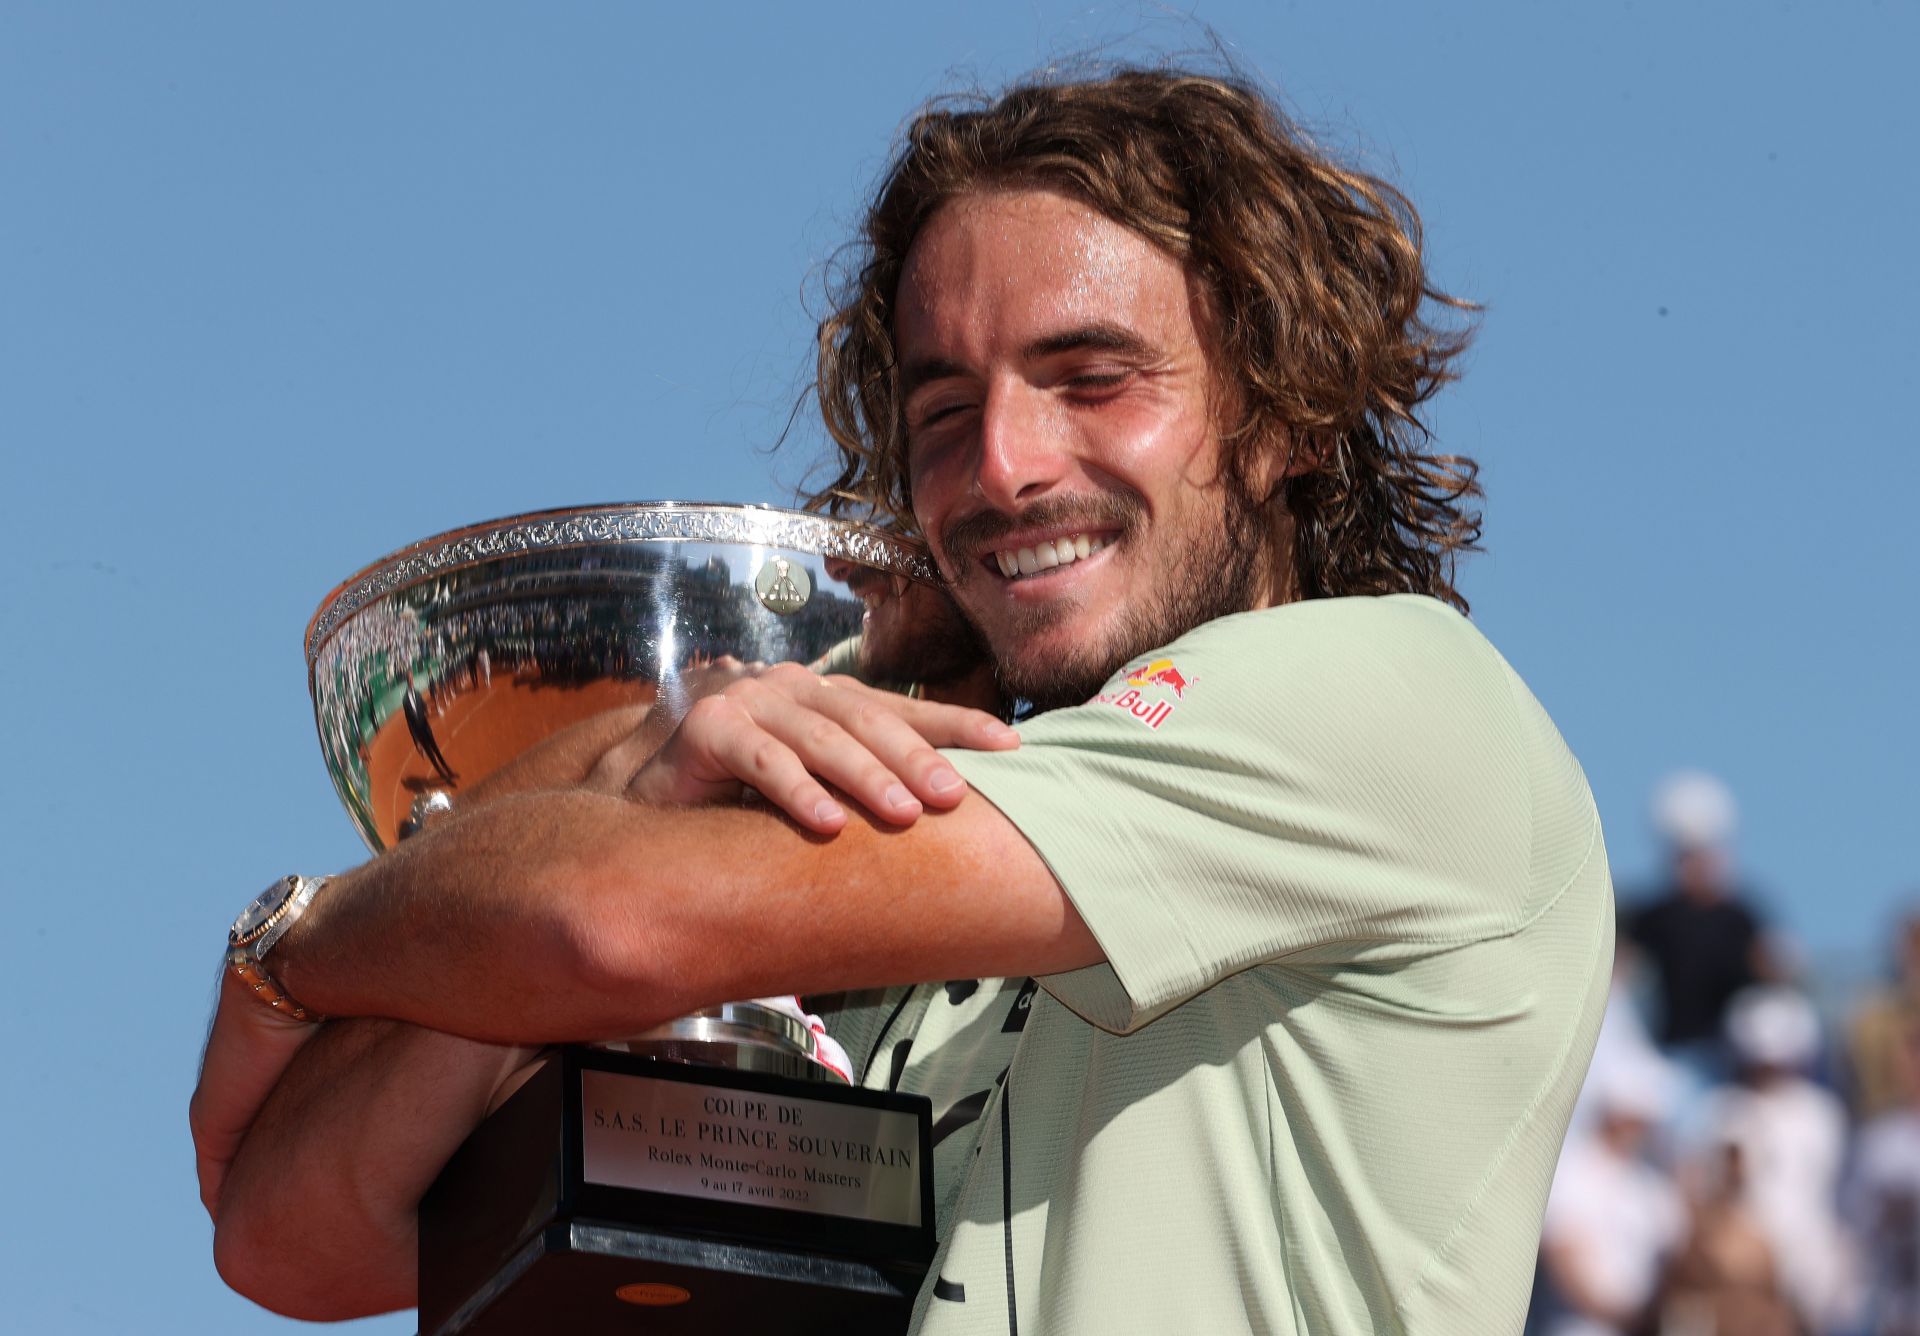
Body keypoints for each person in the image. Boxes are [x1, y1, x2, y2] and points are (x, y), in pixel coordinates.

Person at [191, 65, 1613, 1333]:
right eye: (944, 411)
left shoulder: (1381, 692)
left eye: (1092, 380)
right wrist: (614, 774)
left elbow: (606, 920)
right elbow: (296, 1245)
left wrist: (303, 946)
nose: (1001, 467)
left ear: (1288, 409)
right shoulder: (892, 807)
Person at [1622, 771, 1775, 1069]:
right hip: (1663, 1056)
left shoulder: (1741, 918)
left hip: (1725, 1061)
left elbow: (1765, 974)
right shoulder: (1652, 918)